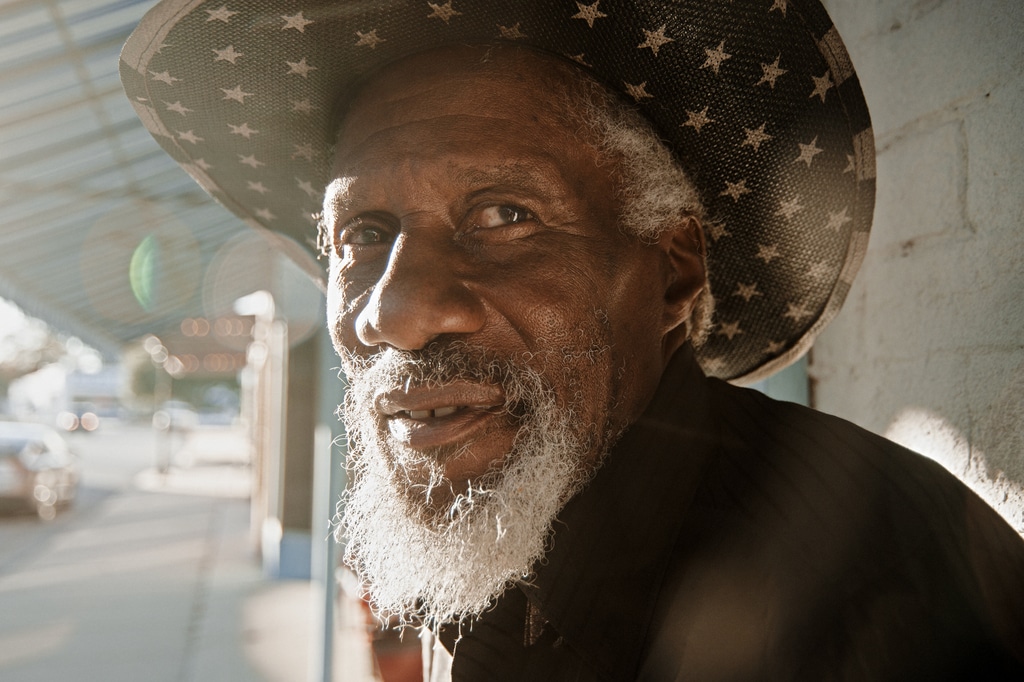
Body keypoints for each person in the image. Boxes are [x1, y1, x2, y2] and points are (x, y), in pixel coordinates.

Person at [122, 2, 1024, 679]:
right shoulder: (522, 530)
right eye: (360, 236)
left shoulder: (851, 594)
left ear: (673, 274)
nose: (389, 315)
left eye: (504, 215)